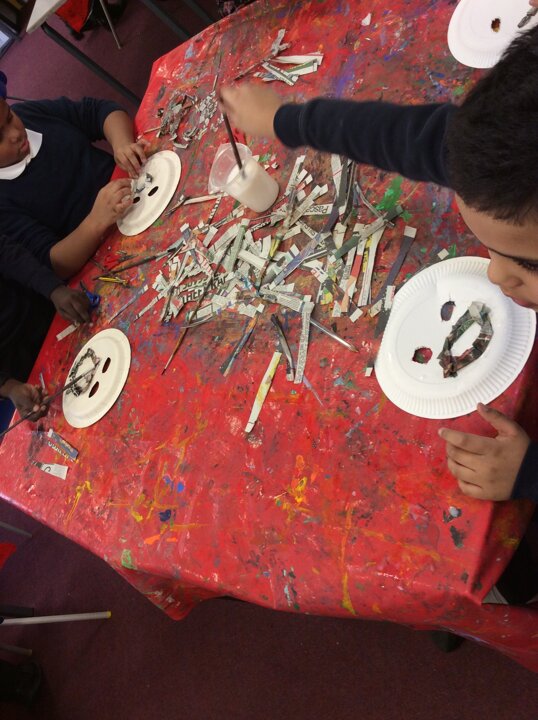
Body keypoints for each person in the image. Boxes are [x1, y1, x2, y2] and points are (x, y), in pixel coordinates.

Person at [220, 24, 538, 505]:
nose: (495, 275)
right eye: (492, 249)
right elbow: (397, 136)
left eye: (527, 264)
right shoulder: (503, 163)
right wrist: (286, 119)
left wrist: (530, 474)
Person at [0, 71, 148, 280]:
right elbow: (54, 263)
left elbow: (100, 111)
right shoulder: (4, 202)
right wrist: (95, 221)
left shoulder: (29, 114)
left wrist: (121, 143)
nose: (15, 134)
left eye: (9, 117)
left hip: (139, 185)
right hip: (111, 248)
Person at [0, 235, 91, 426]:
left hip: (45, 310)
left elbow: (7, 253)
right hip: (21, 372)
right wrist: (9, 387)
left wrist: (53, 288)